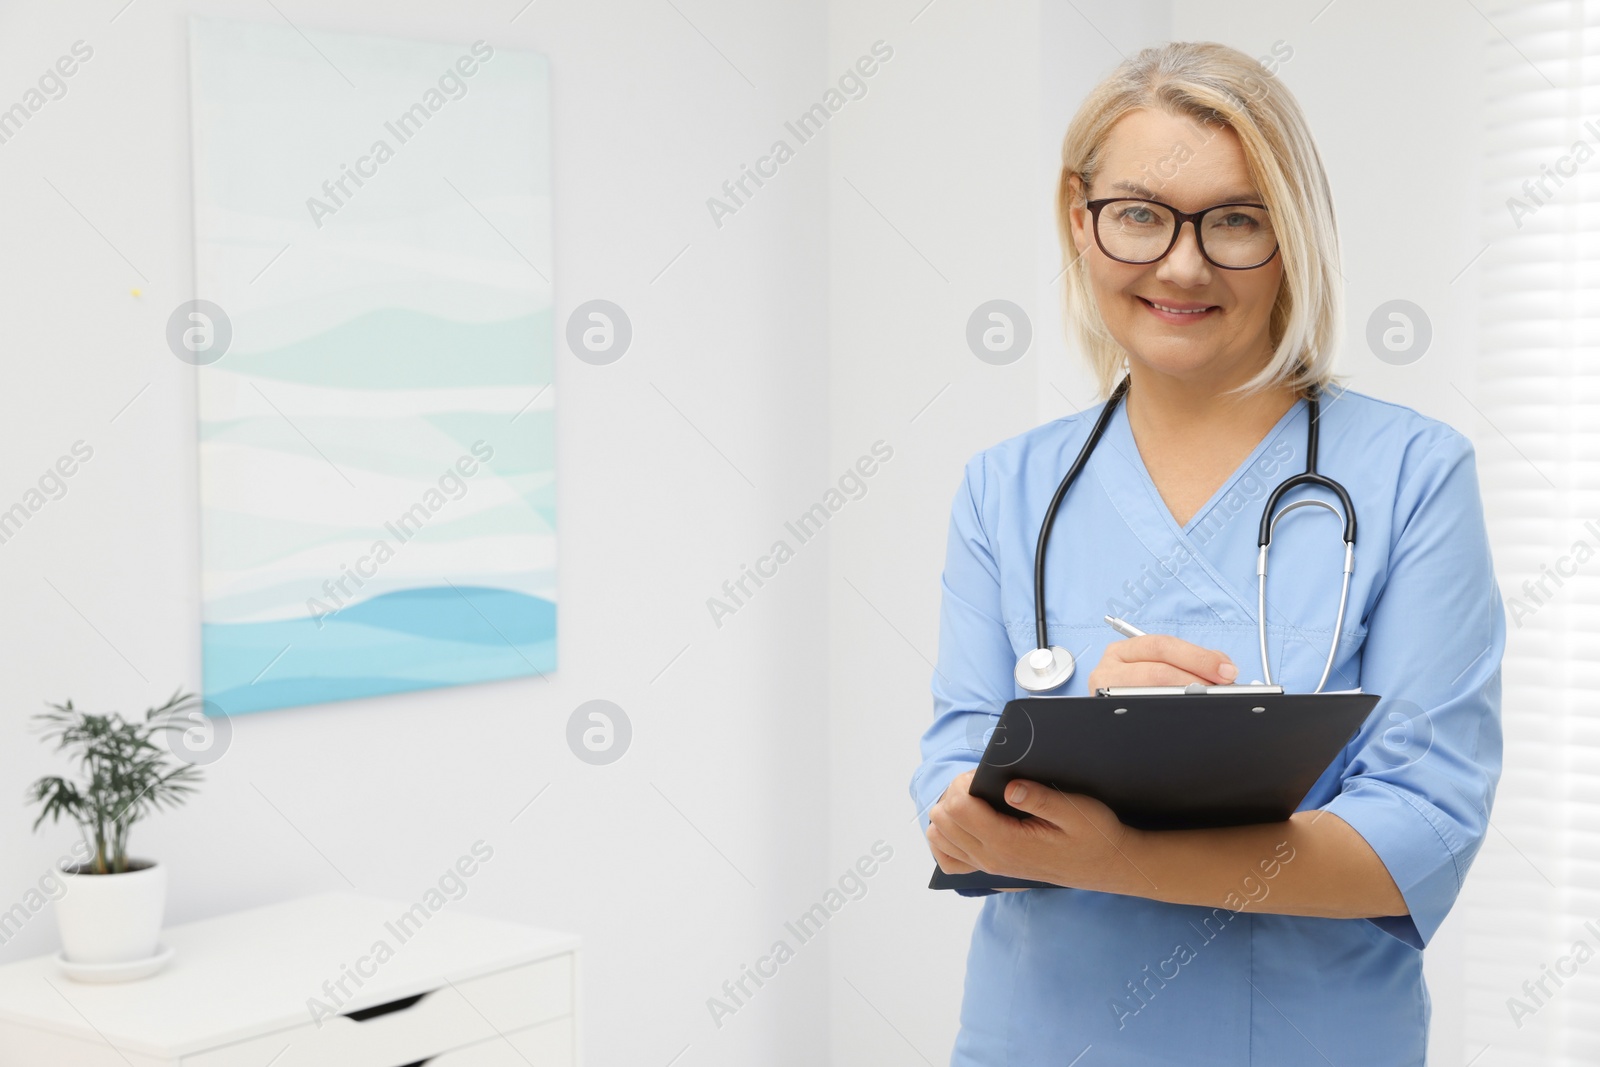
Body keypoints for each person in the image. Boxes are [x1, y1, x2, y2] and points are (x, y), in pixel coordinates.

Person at [911, 41, 1504, 1066]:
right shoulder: (1006, 491)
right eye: (1138, 212)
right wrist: (1079, 742)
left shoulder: (1413, 475)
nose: (1181, 264)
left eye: (1234, 220)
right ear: (1077, 217)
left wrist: (1123, 848)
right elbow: (954, 811)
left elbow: (1422, 832)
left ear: (1293, 237)